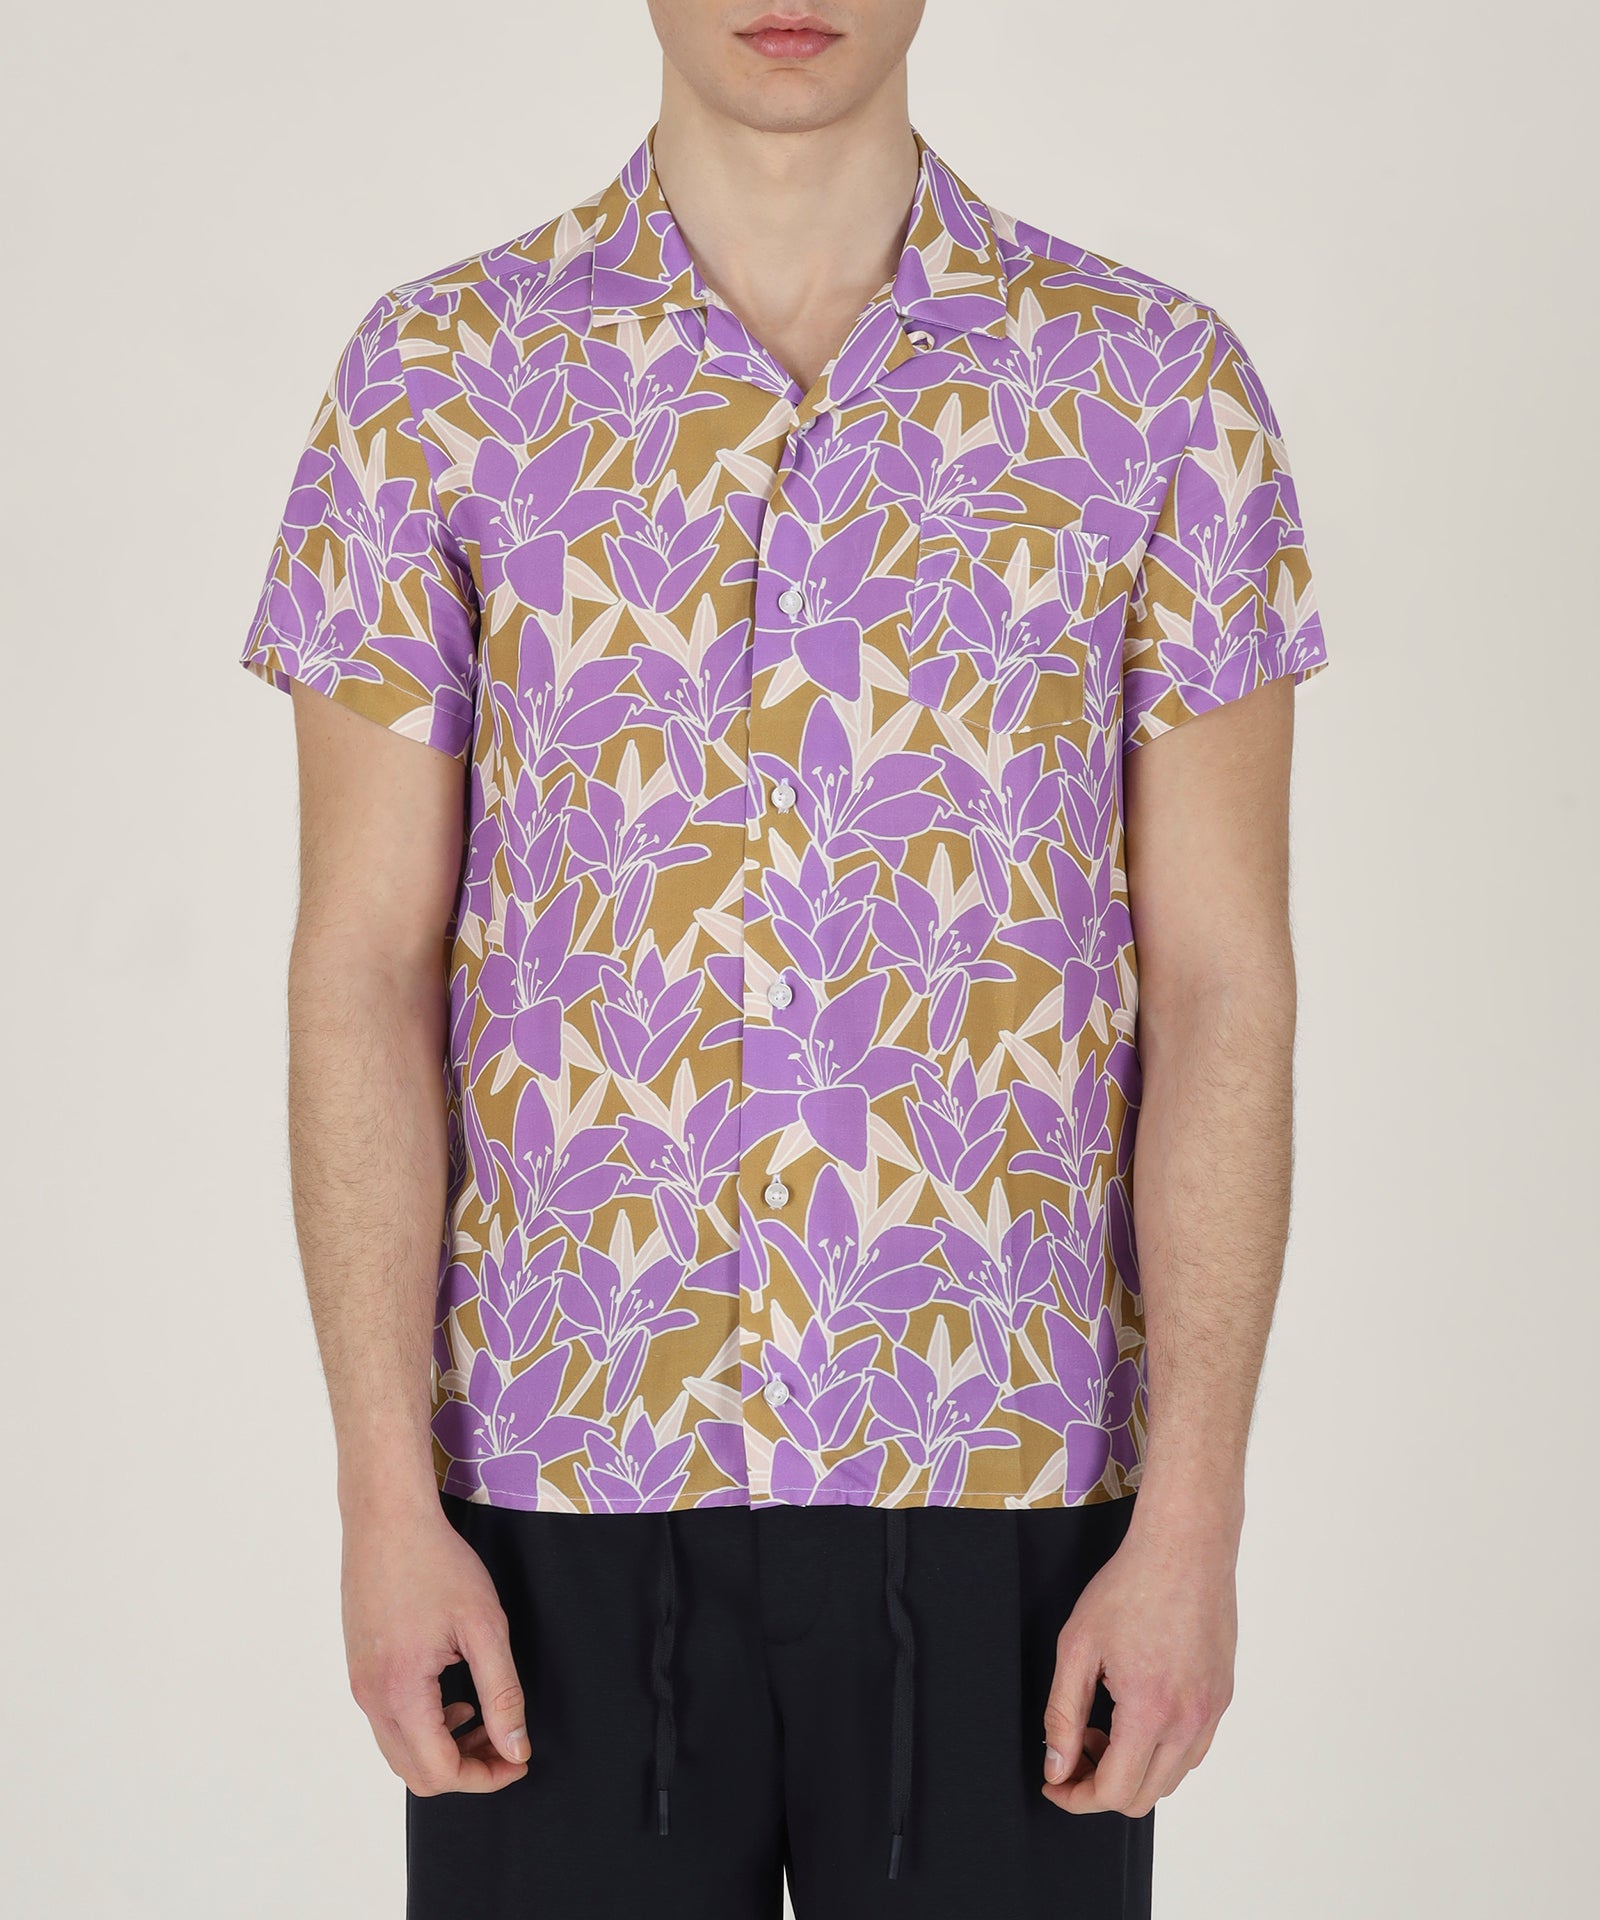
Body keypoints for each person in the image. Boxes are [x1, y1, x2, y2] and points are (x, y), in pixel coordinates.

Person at [239, 4, 1330, 1915]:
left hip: (1007, 1490)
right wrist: (381, 1504)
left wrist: (1194, 1524)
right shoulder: (438, 379)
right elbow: (360, 969)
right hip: (553, 1496)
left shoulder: (1157, 390)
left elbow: (1226, 985)